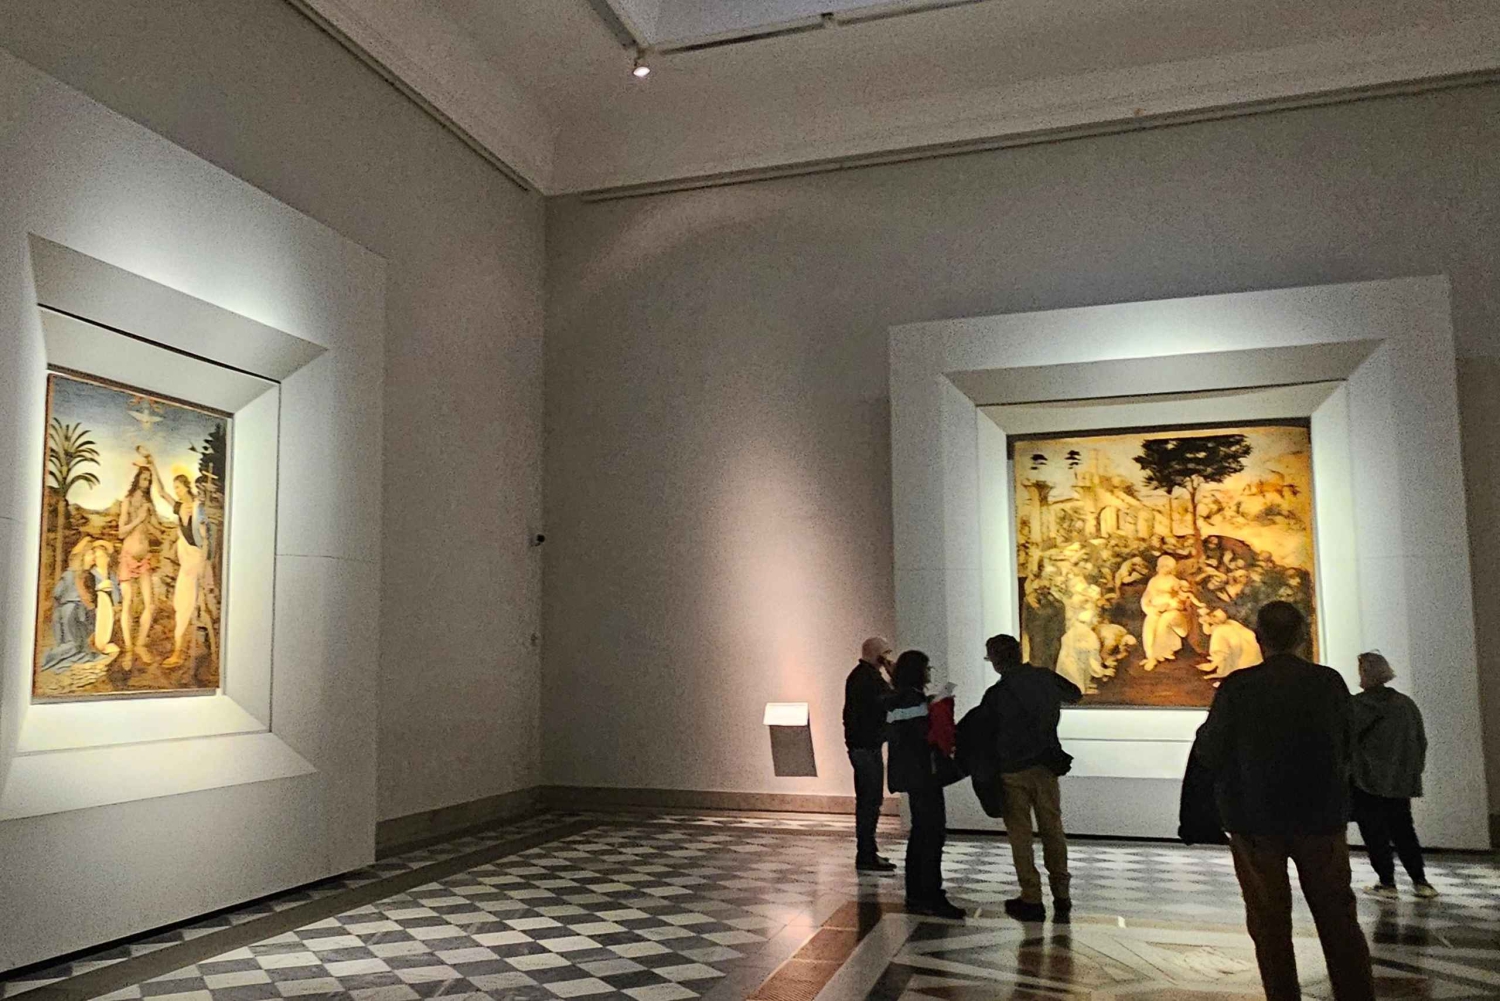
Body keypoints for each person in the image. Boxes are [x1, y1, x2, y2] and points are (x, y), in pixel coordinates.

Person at [1190, 602, 1374, 1001]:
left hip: (1255, 818)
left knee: (1268, 920)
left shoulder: (1239, 687)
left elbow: (1211, 748)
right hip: (1320, 815)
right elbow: (1350, 740)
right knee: (1338, 917)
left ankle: (1282, 994)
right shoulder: (1328, 682)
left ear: (1259, 638)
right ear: (1302, 636)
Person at [981, 633, 1081, 922]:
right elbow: (1074, 693)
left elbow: (986, 733)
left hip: (1012, 770)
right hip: (1046, 766)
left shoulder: (997, 694)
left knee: (1020, 835)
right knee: (1053, 829)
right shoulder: (1045, 678)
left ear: (996, 661)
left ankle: (1031, 897)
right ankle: (1062, 894)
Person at [1350, 652, 1436, 900]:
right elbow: (1419, 741)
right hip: (1398, 780)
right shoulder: (1405, 705)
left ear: (1365, 673)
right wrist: (1411, 771)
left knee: (1374, 832)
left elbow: (1346, 738)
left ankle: (1387, 882)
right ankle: (1420, 881)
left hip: (1366, 780)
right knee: (1403, 829)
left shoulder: (1358, 705)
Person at [885, 649, 963, 919]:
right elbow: (918, 732)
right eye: (927, 668)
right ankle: (930, 895)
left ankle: (917, 894)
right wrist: (935, 709)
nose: (930, 672)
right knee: (930, 835)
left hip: (916, 774)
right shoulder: (909, 698)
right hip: (923, 775)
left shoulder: (903, 697)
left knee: (922, 834)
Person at [141, 449, 209, 668]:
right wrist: (153, 465)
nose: (176, 492)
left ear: (186, 486)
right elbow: (161, 493)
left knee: (191, 605)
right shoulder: (179, 508)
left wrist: (203, 563)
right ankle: (179, 650)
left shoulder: (199, 508)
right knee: (181, 604)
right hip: (187, 565)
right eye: (175, 489)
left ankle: (180, 652)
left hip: (197, 563)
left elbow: (205, 538)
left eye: (178, 487)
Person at [844, 636, 896, 873]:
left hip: (863, 746)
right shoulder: (869, 679)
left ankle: (867, 851)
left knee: (869, 800)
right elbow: (891, 701)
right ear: (878, 654)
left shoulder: (860, 676)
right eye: (886, 652)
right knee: (870, 801)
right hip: (866, 747)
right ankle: (866, 853)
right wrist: (894, 676)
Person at [116, 461, 161, 666]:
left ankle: (140, 644)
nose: (147, 482)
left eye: (149, 480)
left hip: (144, 560)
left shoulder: (148, 504)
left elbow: (157, 531)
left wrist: (151, 518)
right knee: (128, 603)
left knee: (150, 604)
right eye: (144, 478)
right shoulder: (127, 501)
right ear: (137, 479)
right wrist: (139, 519)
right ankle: (128, 650)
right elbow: (121, 532)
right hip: (128, 558)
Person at [1141, 556, 1190, 671]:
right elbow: (1146, 598)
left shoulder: (1174, 581)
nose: (1165, 569)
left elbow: (1182, 601)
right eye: (1163, 566)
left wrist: (1169, 606)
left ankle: (1160, 652)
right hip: (1156, 610)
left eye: (1168, 567)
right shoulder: (1153, 581)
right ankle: (1150, 655)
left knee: (1164, 621)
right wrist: (1151, 609)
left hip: (1173, 612)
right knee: (1150, 621)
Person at [1197, 609, 1262, 680]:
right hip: (1255, 662)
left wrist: (1211, 666)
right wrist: (1205, 622)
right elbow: (1208, 631)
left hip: (1243, 662)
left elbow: (1221, 652)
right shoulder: (1230, 624)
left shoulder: (1220, 630)